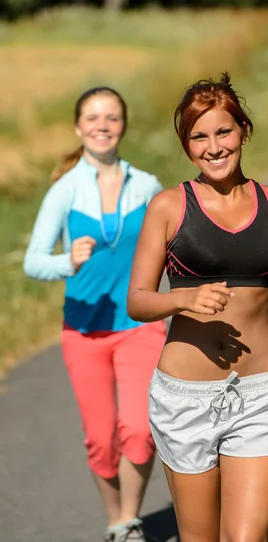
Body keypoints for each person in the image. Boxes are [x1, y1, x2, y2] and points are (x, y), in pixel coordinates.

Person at [127, 73, 268, 542]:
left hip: (262, 392)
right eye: (199, 137)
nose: (213, 146)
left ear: (243, 131)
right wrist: (183, 298)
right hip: (186, 399)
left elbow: (261, 262)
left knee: (247, 539)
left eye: (224, 131)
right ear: (187, 147)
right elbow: (137, 300)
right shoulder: (168, 206)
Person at [23, 86, 167, 542]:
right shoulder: (65, 191)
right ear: (78, 127)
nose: (102, 126)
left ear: (123, 126)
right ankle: (114, 520)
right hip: (83, 330)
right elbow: (33, 260)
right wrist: (69, 262)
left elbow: (174, 247)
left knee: (140, 433)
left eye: (111, 118)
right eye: (92, 118)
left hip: (139, 326)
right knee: (101, 440)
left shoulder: (145, 186)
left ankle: (129, 520)